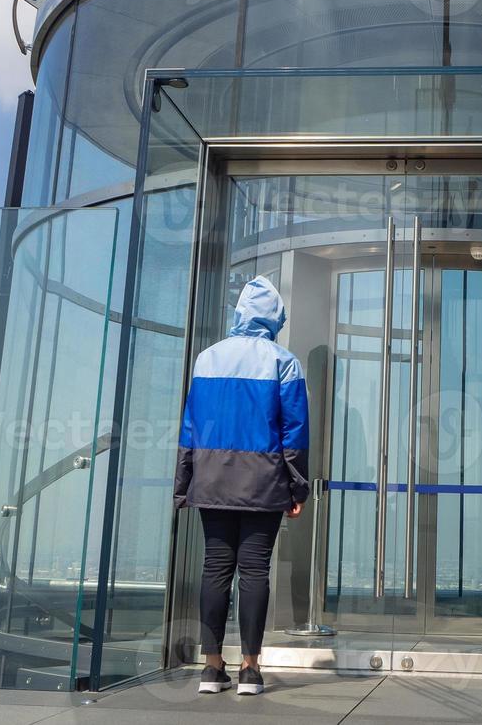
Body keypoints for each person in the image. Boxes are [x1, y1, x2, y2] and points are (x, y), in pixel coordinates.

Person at [173, 276, 310, 697]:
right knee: (254, 571)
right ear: (275, 317)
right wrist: (297, 488)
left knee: (215, 568)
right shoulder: (283, 362)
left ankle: (212, 669)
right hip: (263, 482)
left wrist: (184, 483)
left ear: (239, 313)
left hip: (212, 480)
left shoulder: (207, 359)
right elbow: (295, 431)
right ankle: (250, 669)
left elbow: (190, 427)